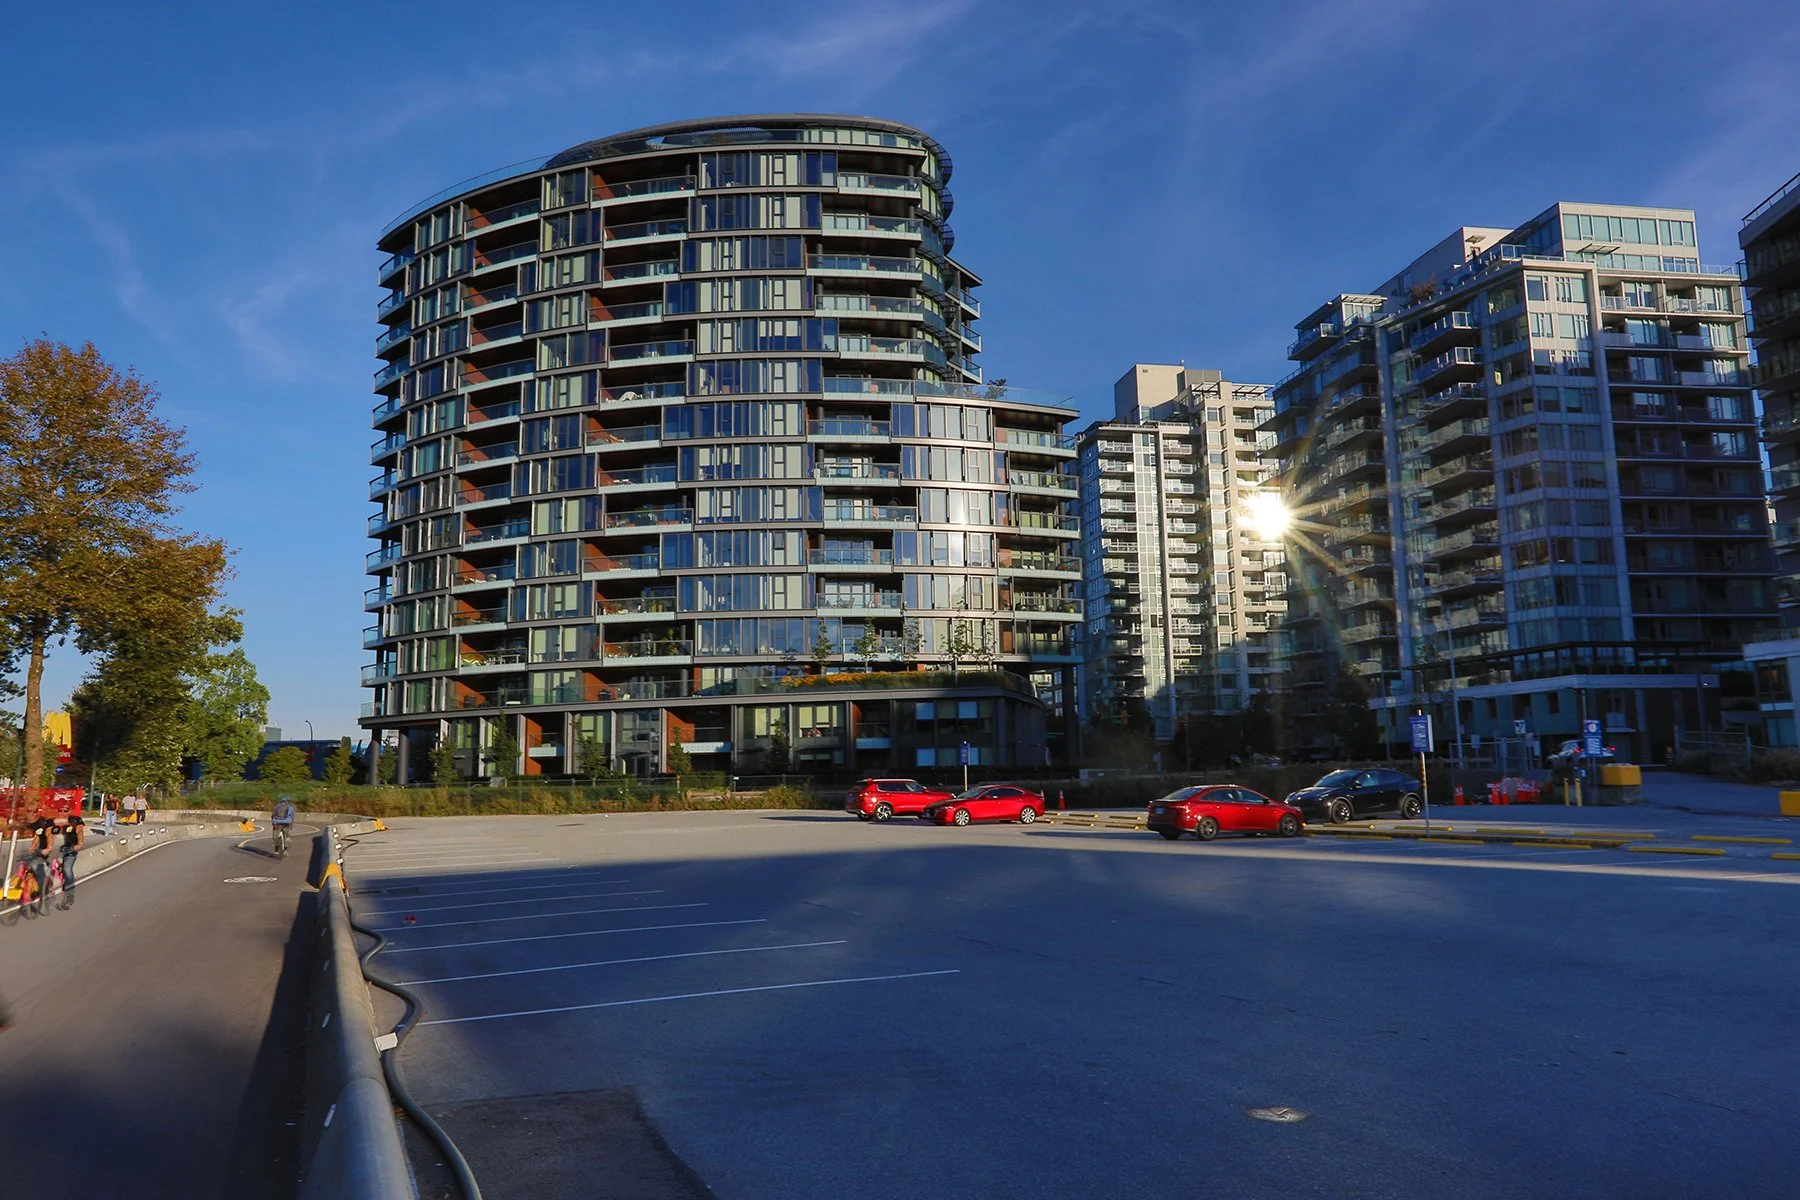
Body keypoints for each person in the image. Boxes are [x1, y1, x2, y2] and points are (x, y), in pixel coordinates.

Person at [26, 815, 55, 914]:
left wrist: (47, 850)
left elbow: (50, 845)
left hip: (43, 859)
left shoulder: (50, 836)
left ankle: (43, 897)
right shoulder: (40, 834)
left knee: (40, 875)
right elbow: (34, 843)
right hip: (36, 857)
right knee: (26, 867)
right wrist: (31, 849)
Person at [56, 813, 84, 909]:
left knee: (68, 871)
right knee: (61, 869)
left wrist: (76, 847)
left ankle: (70, 895)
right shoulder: (65, 827)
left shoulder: (78, 829)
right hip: (64, 851)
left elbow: (80, 842)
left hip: (71, 853)